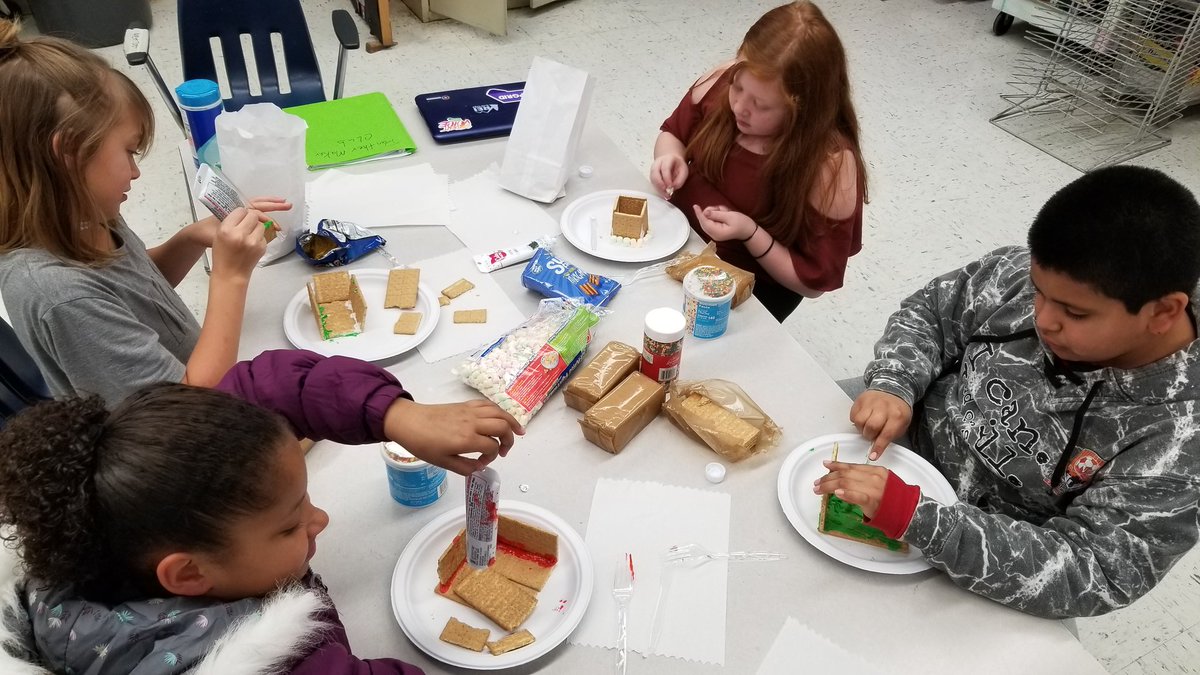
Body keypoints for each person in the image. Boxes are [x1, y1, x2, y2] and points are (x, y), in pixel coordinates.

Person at [816, 166, 1200, 618]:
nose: (1043, 319)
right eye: (1039, 293)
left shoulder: (1179, 436)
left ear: (1163, 312)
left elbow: (1095, 570)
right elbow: (930, 315)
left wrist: (919, 518)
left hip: (991, 557)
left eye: (1075, 313)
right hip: (896, 442)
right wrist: (894, 384)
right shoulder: (1026, 276)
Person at [0, 349, 524, 673]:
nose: (321, 521)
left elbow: (264, 386)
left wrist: (395, 412)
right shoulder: (285, 666)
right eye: (291, 523)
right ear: (189, 573)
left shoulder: (105, 525)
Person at [0, 20, 290, 405]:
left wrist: (191, 238)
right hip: (177, 440)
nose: (136, 171)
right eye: (129, 151)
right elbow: (182, 408)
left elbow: (135, 293)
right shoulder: (60, 295)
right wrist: (229, 277)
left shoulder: (84, 208)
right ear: (68, 154)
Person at [650, 1, 867, 322]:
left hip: (751, 286)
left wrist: (750, 233)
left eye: (761, 106)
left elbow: (811, 283)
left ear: (802, 111)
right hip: (680, 242)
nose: (739, 106)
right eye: (737, 88)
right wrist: (669, 157)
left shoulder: (830, 165)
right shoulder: (725, 78)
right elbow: (673, 133)